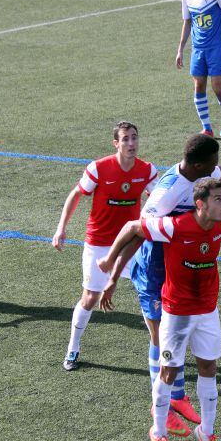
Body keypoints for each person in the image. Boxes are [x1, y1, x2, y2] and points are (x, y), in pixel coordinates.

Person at [99, 133, 221, 437]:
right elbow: (136, 233)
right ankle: (163, 408)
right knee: (160, 338)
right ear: (198, 165)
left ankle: (178, 398)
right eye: (212, 164)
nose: (217, 168)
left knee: (177, 338)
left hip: (175, 256)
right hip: (154, 266)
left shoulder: (199, 172)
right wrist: (113, 275)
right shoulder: (166, 194)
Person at [52, 122, 157, 373]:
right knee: (90, 298)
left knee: (148, 295)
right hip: (99, 243)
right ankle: (73, 348)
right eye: (125, 139)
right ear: (116, 143)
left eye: (134, 138)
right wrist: (61, 228)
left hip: (131, 244)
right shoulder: (98, 168)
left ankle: (160, 348)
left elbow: (159, 201)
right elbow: (75, 195)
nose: (131, 143)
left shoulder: (147, 170)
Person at [176, 0, 221, 137]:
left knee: (217, 87)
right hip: (198, 49)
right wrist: (180, 49)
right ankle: (207, 128)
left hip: (217, 47)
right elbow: (187, 22)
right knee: (199, 85)